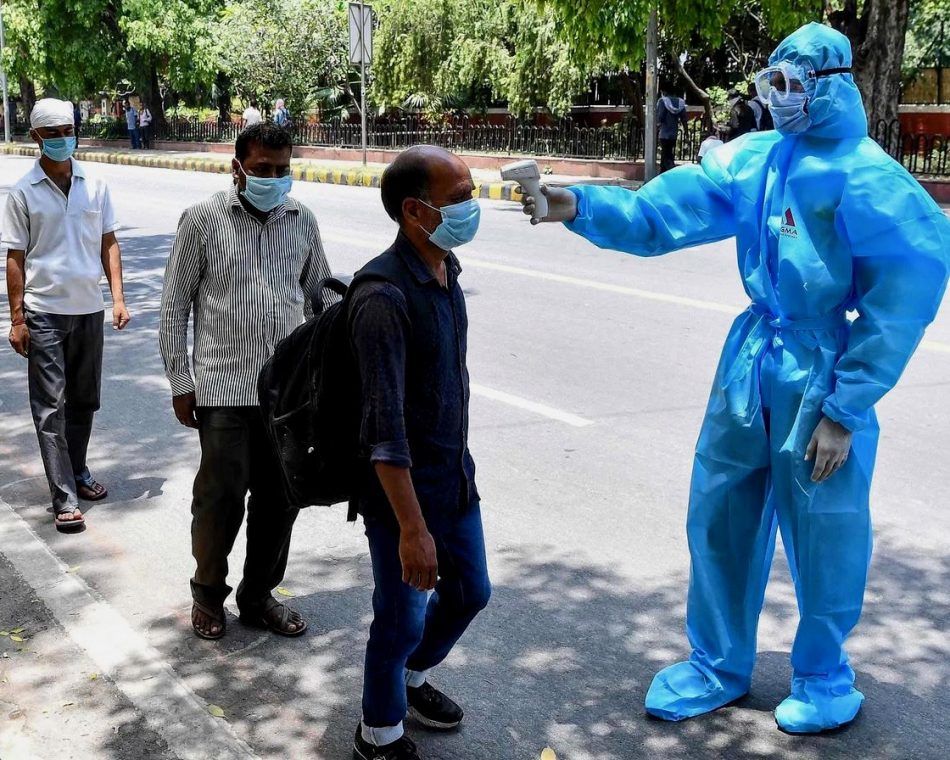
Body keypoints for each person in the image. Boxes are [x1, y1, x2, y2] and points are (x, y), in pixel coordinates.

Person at [519, 22, 950, 735]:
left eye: (793, 85)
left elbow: (903, 294)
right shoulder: (756, 159)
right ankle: (716, 663)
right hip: (751, 359)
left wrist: (847, 405)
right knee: (720, 510)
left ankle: (823, 674)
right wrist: (578, 205)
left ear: (831, 86)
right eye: (770, 84)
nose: (779, 99)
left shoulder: (868, 175)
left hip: (821, 368)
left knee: (825, 529)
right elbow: (667, 209)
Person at [159, 122, 333, 640]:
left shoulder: (302, 220)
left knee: (282, 500)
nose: (274, 180)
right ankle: (208, 592)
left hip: (287, 395)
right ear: (237, 168)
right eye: (262, 170)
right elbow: (174, 307)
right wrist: (180, 379)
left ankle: (258, 595)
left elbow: (320, 293)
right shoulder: (203, 220)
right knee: (220, 498)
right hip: (222, 387)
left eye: (283, 171)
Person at [348, 145, 491, 760]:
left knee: (471, 592)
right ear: (415, 211)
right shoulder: (383, 296)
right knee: (401, 618)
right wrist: (411, 529)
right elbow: (383, 428)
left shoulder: (445, 269)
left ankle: (410, 678)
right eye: (459, 197)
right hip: (400, 496)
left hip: (453, 480)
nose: (472, 206)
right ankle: (377, 733)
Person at [2, 98, 131, 532]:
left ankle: (76, 470)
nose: (63, 138)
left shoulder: (95, 185)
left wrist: (117, 297)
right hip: (44, 312)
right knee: (50, 407)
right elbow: (15, 257)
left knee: (84, 400)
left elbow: (108, 242)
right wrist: (17, 318)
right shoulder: (23, 192)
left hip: (88, 309)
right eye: (53, 132)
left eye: (68, 130)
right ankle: (64, 496)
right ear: (36, 137)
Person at [657, 86, 689, 173]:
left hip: (664, 133)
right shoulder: (680, 102)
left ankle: (672, 172)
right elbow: (684, 119)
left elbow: (660, 117)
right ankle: (662, 174)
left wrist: (656, 128)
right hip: (673, 133)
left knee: (666, 156)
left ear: (665, 92)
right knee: (667, 154)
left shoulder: (662, 101)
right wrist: (686, 133)